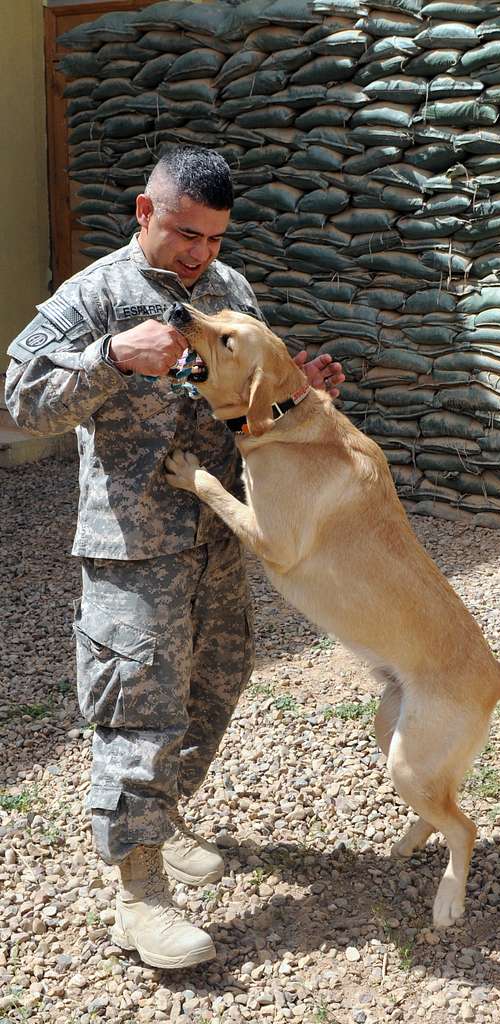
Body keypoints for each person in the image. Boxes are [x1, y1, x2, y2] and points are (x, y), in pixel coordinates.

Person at [4, 146, 344, 970]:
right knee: (139, 708)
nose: (201, 254)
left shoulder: (230, 292)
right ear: (144, 211)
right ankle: (139, 895)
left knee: (217, 683)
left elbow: (250, 390)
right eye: (186, 233)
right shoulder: (96, 295)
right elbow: (18, 397)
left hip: (218, 531)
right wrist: (109, 359)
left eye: (215, 238)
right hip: (133, 542)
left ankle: (164, 815)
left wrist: (302, 390)